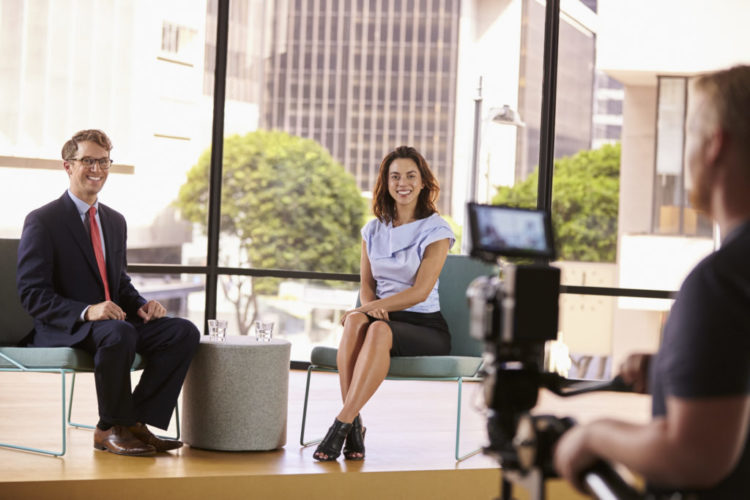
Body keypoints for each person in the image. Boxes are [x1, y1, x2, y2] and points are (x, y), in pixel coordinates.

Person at [554, 65, 750, 498]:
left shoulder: (721, 283)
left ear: (715, 143)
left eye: (689, 137)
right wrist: (671, 369)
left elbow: (694, 456)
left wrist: (592, 435)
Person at [16, 129, 200, 457]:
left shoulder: (115, 221)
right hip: (68, 327)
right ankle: (109, 428)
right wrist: (89, 311)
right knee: (118, 333)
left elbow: (119, 284)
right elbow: (32, 294)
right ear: (68, 166)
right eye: (88, 160)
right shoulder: (43, 221)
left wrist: (142, 306)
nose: (97, 169)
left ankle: (132, 423)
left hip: (113, 327)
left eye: (103, 161)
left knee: (182, 331)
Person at [312, 146, 455, 461]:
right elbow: (367, 284)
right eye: (395, 176)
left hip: (424, 325)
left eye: (410, 176)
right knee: (354, 322)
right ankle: (355, 424)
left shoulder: (437, 230)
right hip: (381, 315)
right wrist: (367, 309)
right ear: (386, 183)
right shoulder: (373, 229)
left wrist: (370, 310)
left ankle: (341, 424)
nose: (402, 183)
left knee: (376, 331)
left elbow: (420, 292)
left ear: (422, 183)